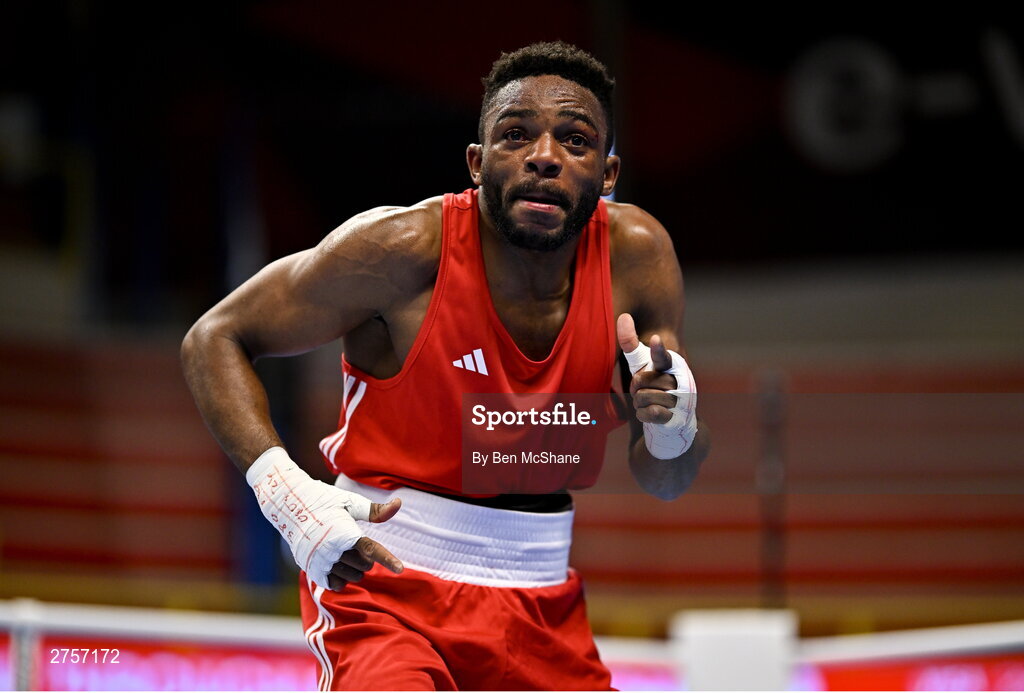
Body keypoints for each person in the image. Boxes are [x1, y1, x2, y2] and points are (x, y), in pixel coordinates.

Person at [182, 40, 710, 691]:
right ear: (477, 161)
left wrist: (673, 428)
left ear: (607, 173)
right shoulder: (402, 251)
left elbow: (667, 478)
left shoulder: (638, 257)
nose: (544, 156)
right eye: (516, 134)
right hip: (384, 585)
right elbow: (215, 336)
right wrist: (285, 496)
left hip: (543, 602)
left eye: (574, 140)